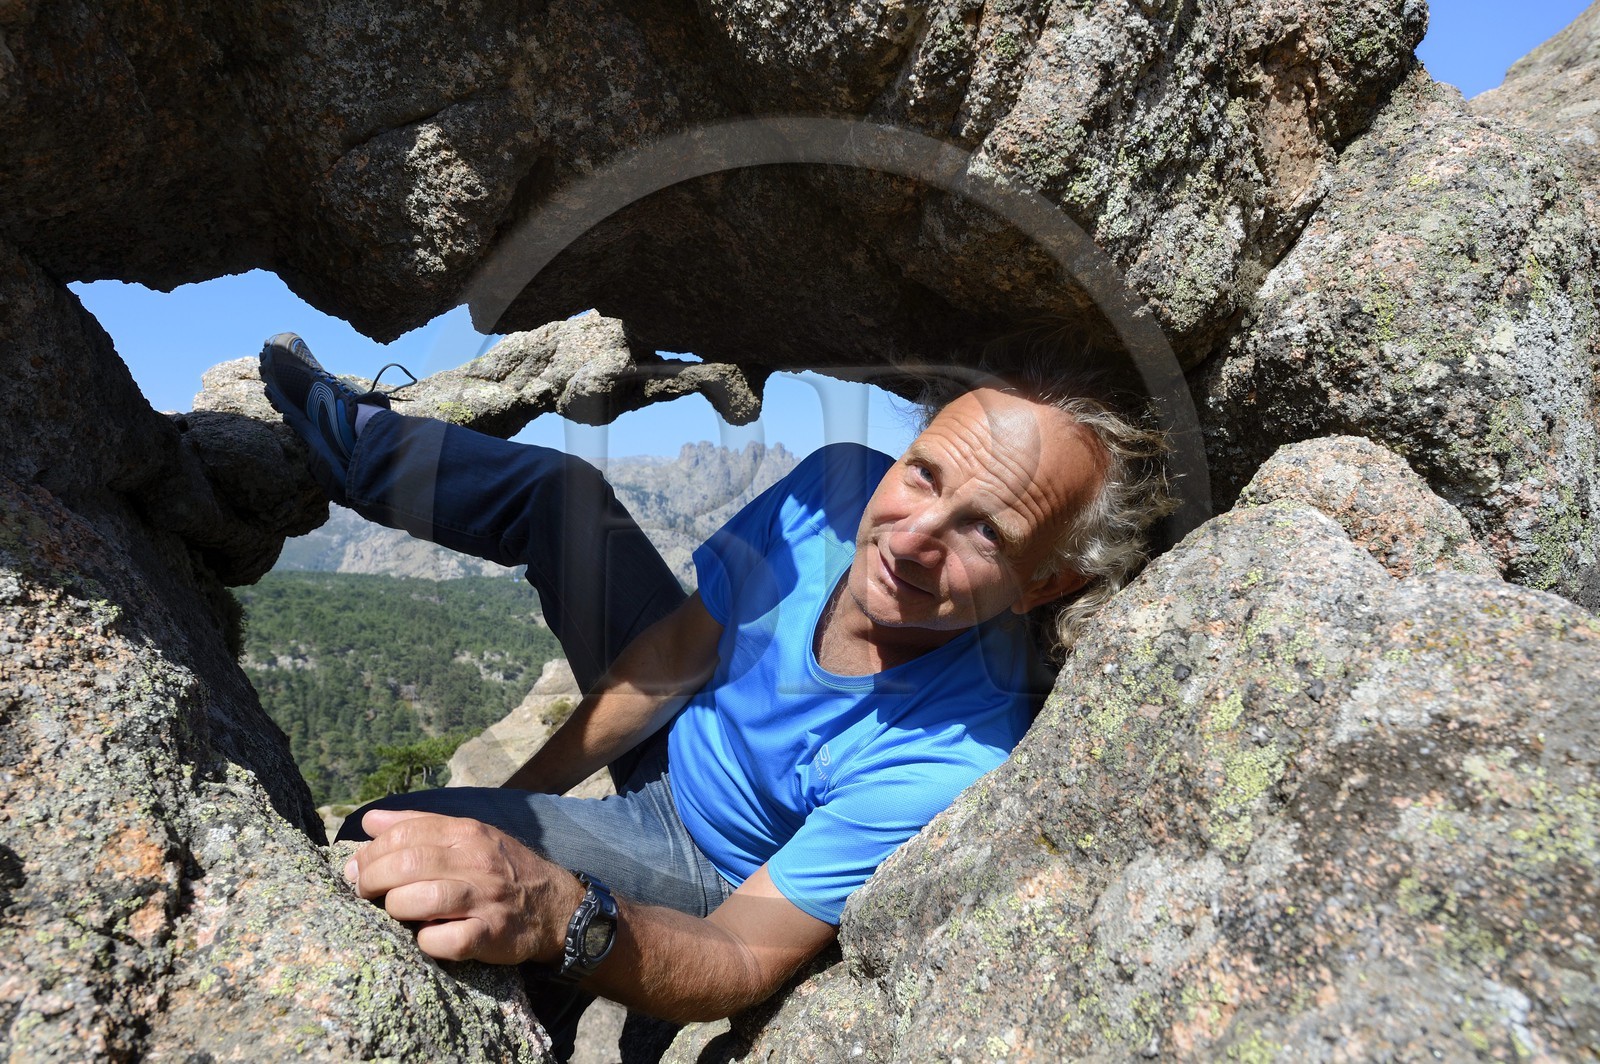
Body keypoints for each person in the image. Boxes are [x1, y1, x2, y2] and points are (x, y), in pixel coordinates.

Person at [258, 329, 1172, 1059]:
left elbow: (742, 951)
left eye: (986, 533)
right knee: (563, 493)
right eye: (924, 472)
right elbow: (680, 653)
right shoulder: (838, 485)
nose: (911, 536)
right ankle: (359, 443)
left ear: (1045, 584)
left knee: (398, 836)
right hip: (681, 730)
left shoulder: (958, 748)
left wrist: (561, 911)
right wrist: (526, 799)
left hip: (708, 864)